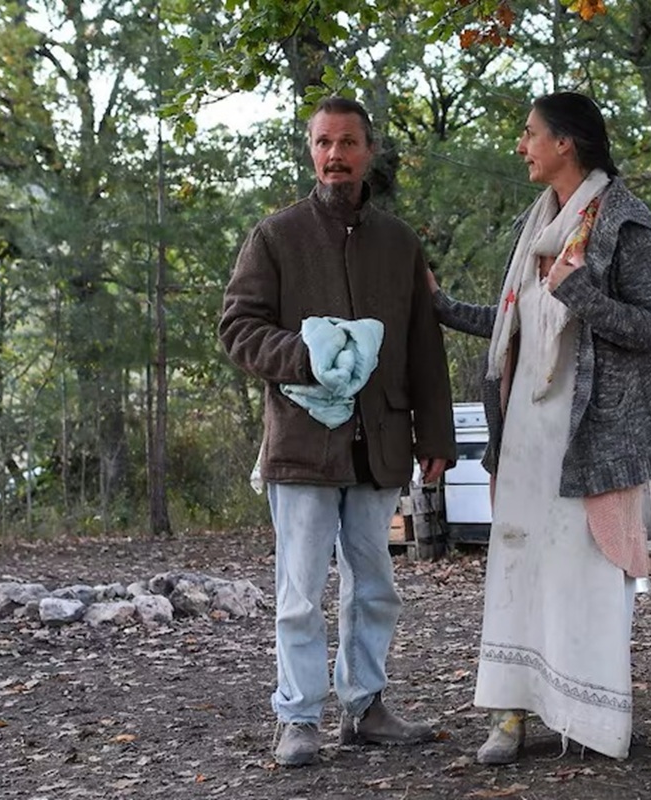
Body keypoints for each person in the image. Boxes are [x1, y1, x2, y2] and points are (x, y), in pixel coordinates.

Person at [426, 91, 651, 764]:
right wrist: (440, 306)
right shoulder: (539, 221)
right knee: (519, 567)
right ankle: (510, 715)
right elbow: (518, 324)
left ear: (566, 142)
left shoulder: (625, 221)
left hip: (593, 435)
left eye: (529, 133)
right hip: (530, 431)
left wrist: (580, 294)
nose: (521, 144)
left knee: (583, 576)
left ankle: (587, 721)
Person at [219, 96, 456, 767]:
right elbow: (237, 329)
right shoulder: (275, 236)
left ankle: (366, 708)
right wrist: (309, 356)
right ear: (310, 151)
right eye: (323, 142)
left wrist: (435, 434)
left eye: (347, 142)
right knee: (298, 592)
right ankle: (297, 719)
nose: (335, 155)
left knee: (374, 583)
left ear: (369, 152)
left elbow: (421, 348)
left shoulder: (399, 242)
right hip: (300, 443)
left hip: (379, 441)